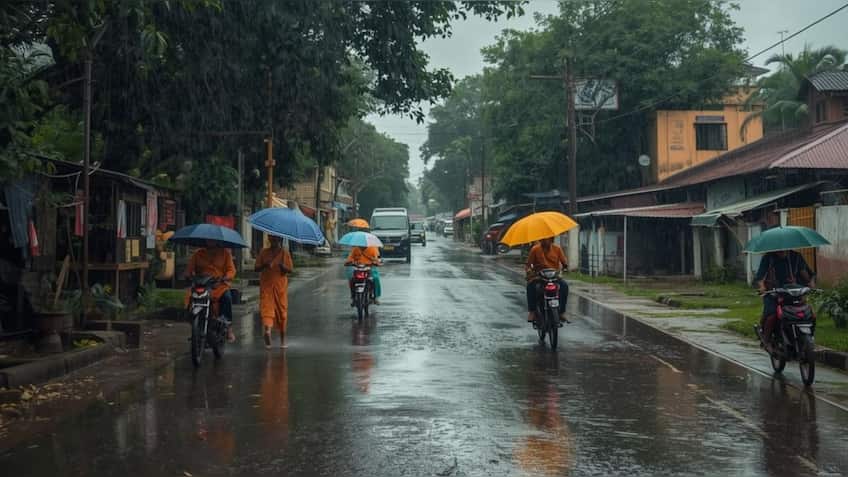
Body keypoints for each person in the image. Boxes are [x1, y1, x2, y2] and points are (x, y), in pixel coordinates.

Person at [755, 249, 815, 350]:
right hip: (774, 292)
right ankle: (766, 339)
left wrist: (810, 283)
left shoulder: (796, 257)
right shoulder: (768, 258)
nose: (781, 251)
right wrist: (762, 287)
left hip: (795, 293)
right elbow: (760, 276)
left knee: (809, 314)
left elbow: (805, 273)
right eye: (779, 250)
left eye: (783, 250)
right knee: (772, 314)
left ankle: (809, 337)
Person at [185, 240, 237, 342]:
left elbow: (231, 270)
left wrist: (226, 277)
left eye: (212, 240)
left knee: (227, 297)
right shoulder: (198, 254)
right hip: (202, 284)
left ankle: (228, 327)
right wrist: (188, 275)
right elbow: (189, 269)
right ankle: (195, 328)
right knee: (189, 299)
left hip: (219, 284)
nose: (210, 242)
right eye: (208, 240)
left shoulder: (225, 253)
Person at [255, 236, 294, 349]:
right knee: (267, 309)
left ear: (279, 241)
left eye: (275, 241)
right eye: (271, 240)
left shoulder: (284, 253)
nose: (273, 243)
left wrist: (283, 267)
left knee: (281, 314)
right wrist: (264, 265)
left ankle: (282, 340)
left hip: (280, 287)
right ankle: (268, 331)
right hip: (266, 286)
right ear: (269, 240)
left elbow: (290, 269)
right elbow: (256, 268)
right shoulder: (263, 252)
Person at [525, 237, 569, 324]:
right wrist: (529, 271)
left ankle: (562, 312)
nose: (545, 241)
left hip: (554, 276)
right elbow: (528, 265)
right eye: (543, 239)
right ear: (540, 240)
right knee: (530, 286)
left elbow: (564, 262)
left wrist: (565, 267)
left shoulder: (557, 249)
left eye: (548, 239)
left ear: (551, 239)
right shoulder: (535, 249)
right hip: (539, 276)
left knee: (564, 286)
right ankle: (532, 311)